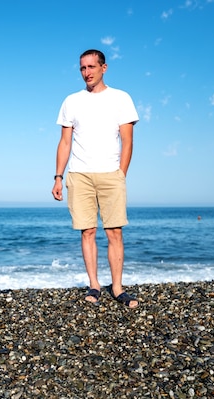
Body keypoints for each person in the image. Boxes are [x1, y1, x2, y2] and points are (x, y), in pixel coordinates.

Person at [52, 49, 139, 309]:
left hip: (111, 174)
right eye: (82, 68)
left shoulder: (121, 98)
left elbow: (128, 142)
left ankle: (117, 288)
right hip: (79, 174)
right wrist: (58, 176)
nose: (86, 72)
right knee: (87, 231)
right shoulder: (71, 101)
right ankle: (94, 284)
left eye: (91, 67)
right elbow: (65, 142)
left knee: (114, 232)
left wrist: (120, 173)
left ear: (104, 68)